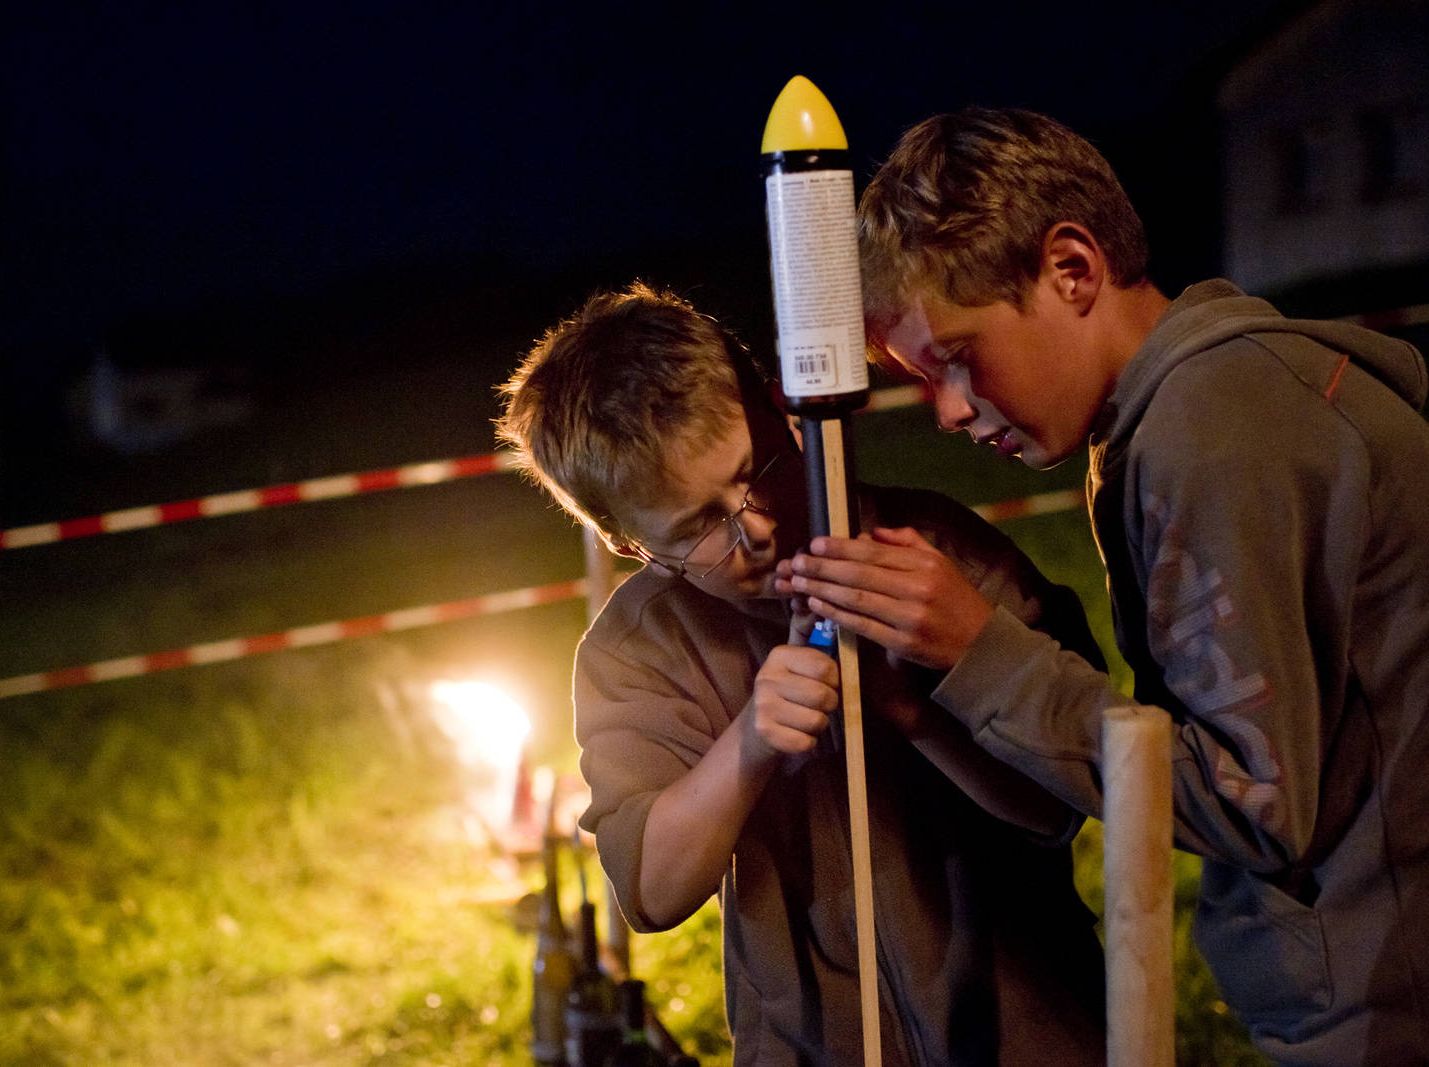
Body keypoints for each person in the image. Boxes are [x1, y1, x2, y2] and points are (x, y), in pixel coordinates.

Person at [786, 106, 1429, 1065]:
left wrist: (982, 652)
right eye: (923, 382)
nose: (952, 412)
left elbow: (1252, 801)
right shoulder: (1202, 407)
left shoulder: (1211, 432)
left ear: (1072, 268)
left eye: (957, 361)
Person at [498, 282, 1107, 1065]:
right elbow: (650, 890)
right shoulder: (636, 650)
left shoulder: (932, 552)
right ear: (627, 544)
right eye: (702, 525)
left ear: (786, 413)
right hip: (808, 1047)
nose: (757, 526)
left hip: (1028, 1032)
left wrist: (910, 703)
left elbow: (1059, 804)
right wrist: (751, 740)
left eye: (759, 469)